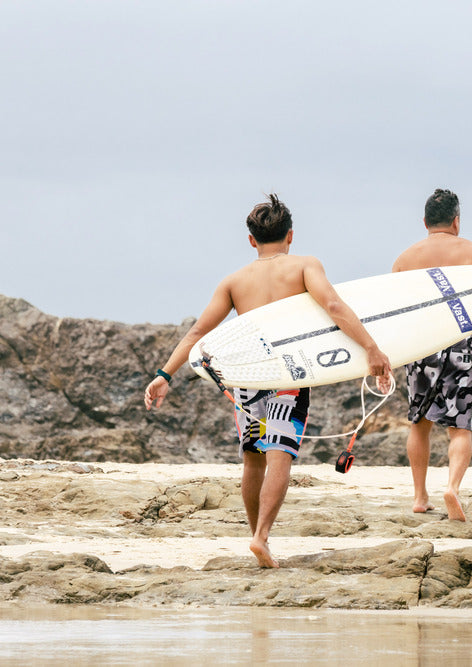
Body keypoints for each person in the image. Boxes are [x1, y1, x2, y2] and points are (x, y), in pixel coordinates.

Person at [143, 194, 392, 567]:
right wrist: (372, 349)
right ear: (290, 235)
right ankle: (262, 537)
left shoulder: (234, 281)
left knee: (252, 459)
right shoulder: (305, 266)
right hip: (288, 376)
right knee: (280, 457)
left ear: (251, 240)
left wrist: (165, 374)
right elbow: (335, 308)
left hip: (247, 377)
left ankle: (255, 535)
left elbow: (198, 332)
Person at [391, 188, 472, 521]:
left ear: (425, 221)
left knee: (419, 422)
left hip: (421, 347)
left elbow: (395, 312)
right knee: (459, 426)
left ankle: (419, 496)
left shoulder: (405, 259)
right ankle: (452, 488)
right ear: (457, 221)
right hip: (462, 346)